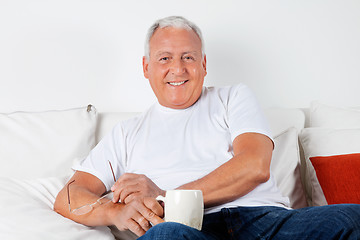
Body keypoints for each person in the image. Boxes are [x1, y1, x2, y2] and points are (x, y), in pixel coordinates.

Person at [54, 16, 360, 239]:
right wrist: (114, 212)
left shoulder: (233, 97)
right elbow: (69, 195)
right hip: (186, 229)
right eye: (164, 58)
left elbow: (254, 166)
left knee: (352, 217)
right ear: (146, 68)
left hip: (266, 223)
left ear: (203, 64)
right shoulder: (125, 133)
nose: (178, 68)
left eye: (188, 57)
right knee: (165, 238)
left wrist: (165, 195)